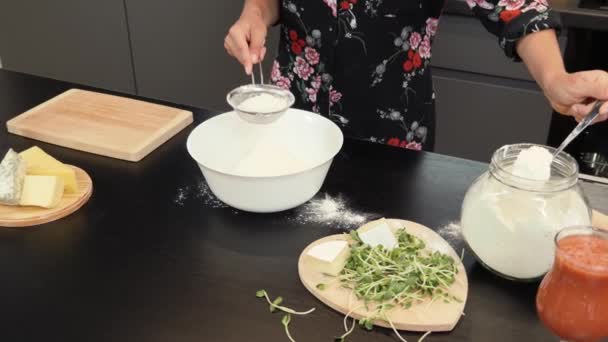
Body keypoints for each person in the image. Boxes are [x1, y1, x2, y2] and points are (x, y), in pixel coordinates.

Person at [225, 0, 608, 151]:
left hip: (390, 137)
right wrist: (253, 16)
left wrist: (557, 80)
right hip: (289, 119)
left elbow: (518, 9)